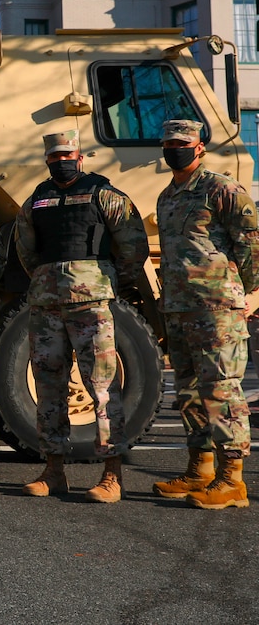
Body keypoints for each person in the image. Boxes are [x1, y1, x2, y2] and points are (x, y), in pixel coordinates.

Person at [15, 130, 149, 502]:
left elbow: (133, 247)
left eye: (67, 155)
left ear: (81, 156)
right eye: (55, 157)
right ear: (46, 160)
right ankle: (53, 469)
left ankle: (111, 475)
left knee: (102, 387)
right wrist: (47, 281)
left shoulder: (105, 195)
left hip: (90, 303)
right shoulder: (36, 200)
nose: (61, 161)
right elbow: (26, 251)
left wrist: (102, 282)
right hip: (46, 304)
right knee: (49, 388)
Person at [154, 119, 259, 510]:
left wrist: (253, 293)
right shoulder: (167, 196)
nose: (173, 148)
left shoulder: (222, 188)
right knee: (187, 392)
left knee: (221, 388)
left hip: (218, 306)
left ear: (200, 146)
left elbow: (251, 243)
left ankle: (232, 480)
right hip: (180, 306)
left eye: (182, 142)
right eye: (168, 142)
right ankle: (200, 467)